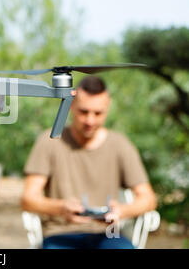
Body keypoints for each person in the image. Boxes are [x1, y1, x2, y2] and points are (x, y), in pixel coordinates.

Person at [21, 75, 157, 249]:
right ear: (70, 106)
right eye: (84, 112)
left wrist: (122, 211)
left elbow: (148, 198)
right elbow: (28, 199)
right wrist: (61, 208)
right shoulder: (50, 141)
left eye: (98, 113)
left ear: (107, 108)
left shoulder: (120, 144)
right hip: (60, 234)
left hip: (110, 235)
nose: (90, 121)